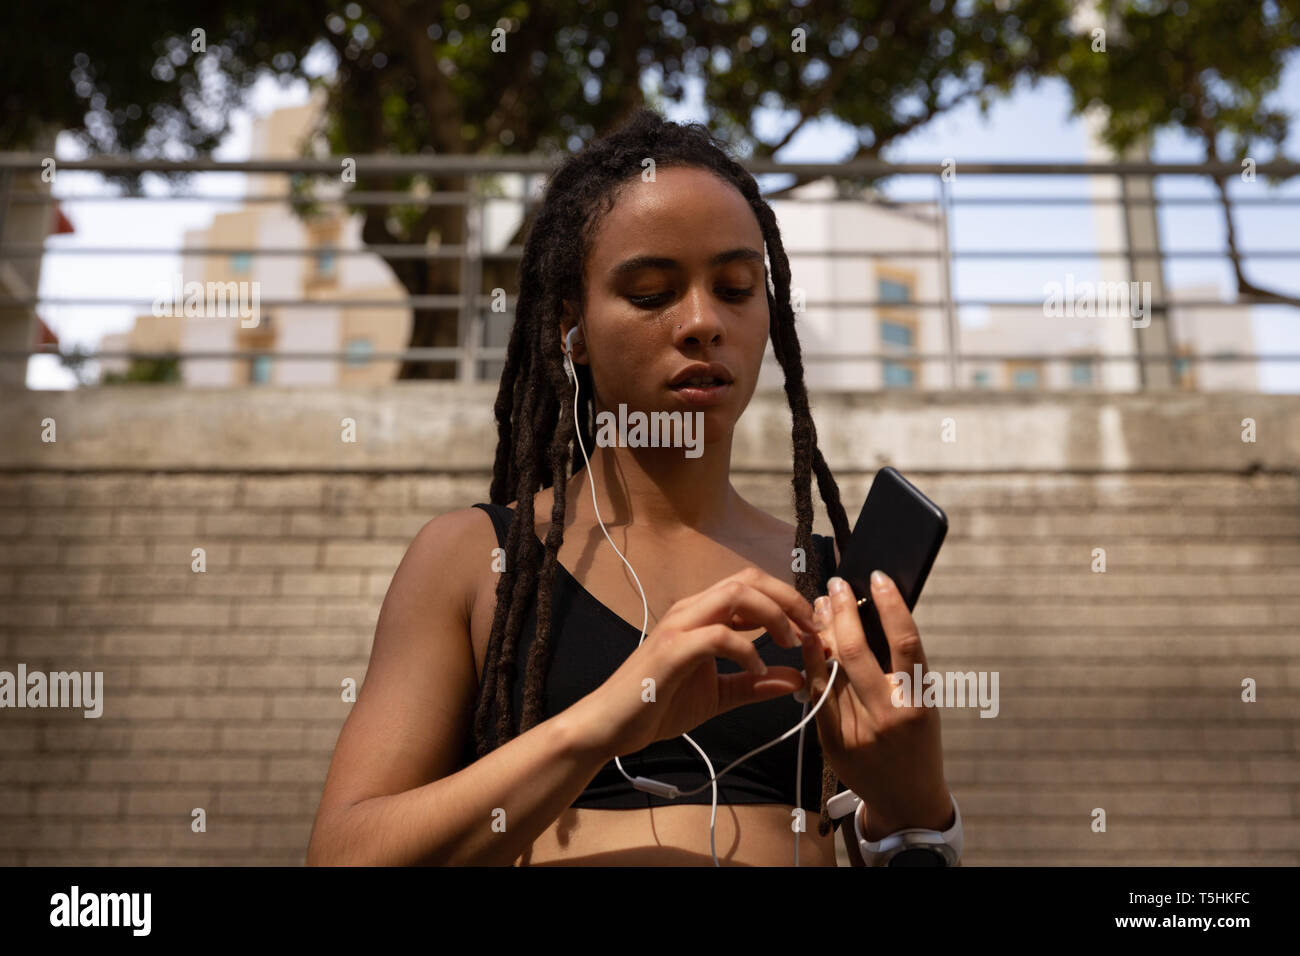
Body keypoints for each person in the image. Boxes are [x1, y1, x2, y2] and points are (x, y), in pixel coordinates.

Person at [306, 108, 953, 866]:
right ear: (569, 329)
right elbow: (344, 854)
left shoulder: (831, 586)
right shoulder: (473, 558)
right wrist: (611, 716)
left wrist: (915, 810)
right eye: (651, 293)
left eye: (737, 287)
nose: (703, 322)